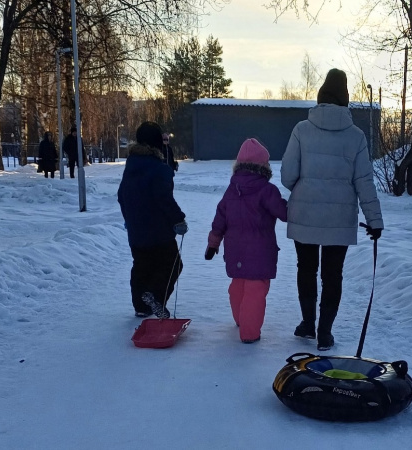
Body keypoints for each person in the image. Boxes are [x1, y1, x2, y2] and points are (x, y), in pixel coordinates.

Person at [281, 68, 384, 351]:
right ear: (345, 97)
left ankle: (307, 324)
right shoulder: (356, 136)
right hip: (340, 219)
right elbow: (364, 181)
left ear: (321, 95)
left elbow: (287, 175)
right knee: (332, 275)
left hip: (305, 215)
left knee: (306, 269)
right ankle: (325, 333)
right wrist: (375, 220)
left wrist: (306, 187)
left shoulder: (301, 129)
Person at [205, 138, 288, 343]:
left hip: (235, 250)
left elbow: (219, 220)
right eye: (267, 162)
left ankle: (241, 319)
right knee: (256, 290)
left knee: (238, 285)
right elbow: (284, 213)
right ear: (261, 166)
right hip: (260, 251)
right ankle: (250, 333)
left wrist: (213, 244)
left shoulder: (231, 190)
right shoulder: (267, 190)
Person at [118, 121, 188, 318]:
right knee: (173, 264)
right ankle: (156, 297)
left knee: (141, 265)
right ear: (157, 144)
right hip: (159, 231)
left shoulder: (131, 166)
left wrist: (129, 218)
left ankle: (141, 306)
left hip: (136, 231)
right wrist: (178, 220)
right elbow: (164, 199)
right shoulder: (160, 169)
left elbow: (121, 195)